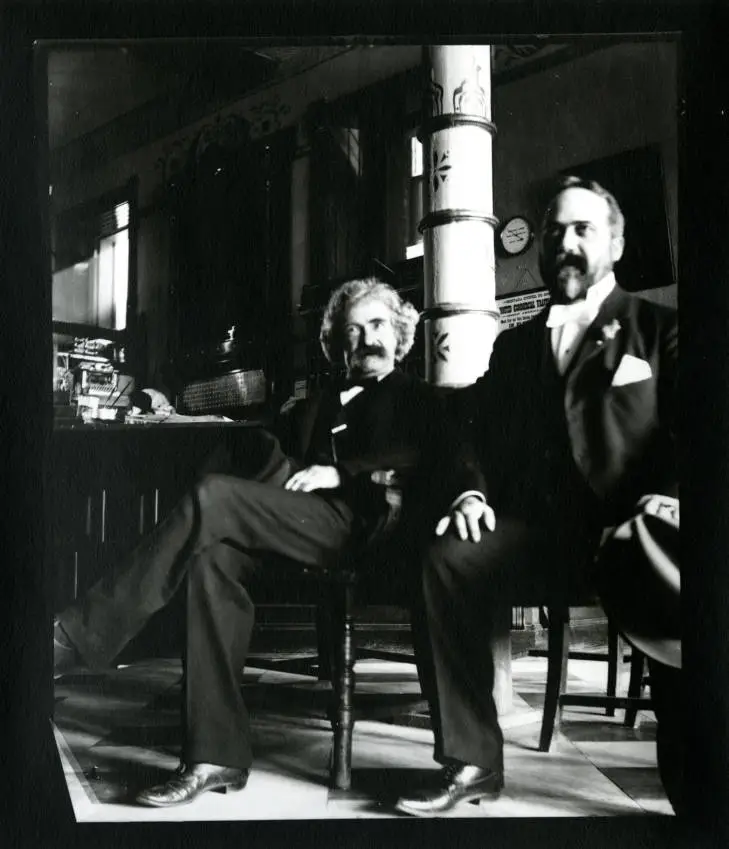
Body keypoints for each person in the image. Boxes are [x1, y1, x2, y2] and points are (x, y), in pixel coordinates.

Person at [53, 277, 477, 808]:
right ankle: (214, 756)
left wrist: (342, 473)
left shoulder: (419, 398)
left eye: (376, 325)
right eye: (352, 330)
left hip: (366, 531)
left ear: (399, 334)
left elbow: (445, 457)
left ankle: (75, 637)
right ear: (336, 345)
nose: (366, 338)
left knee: (212, 498)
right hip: (298, 527)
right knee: (213, 558)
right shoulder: (316, 405)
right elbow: (266, 448)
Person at [394, 175, 678, 817]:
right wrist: (470, 494)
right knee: (447, 556)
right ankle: (471, 760)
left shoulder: (661, 330)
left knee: (681, 576)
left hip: (634, 531)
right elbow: (471, 432)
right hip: (539, 536)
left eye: (583, 229)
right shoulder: (516, 345)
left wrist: (666, 500)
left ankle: (702, 786)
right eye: (554, 232)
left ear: (617, 243)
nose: (565, 242)